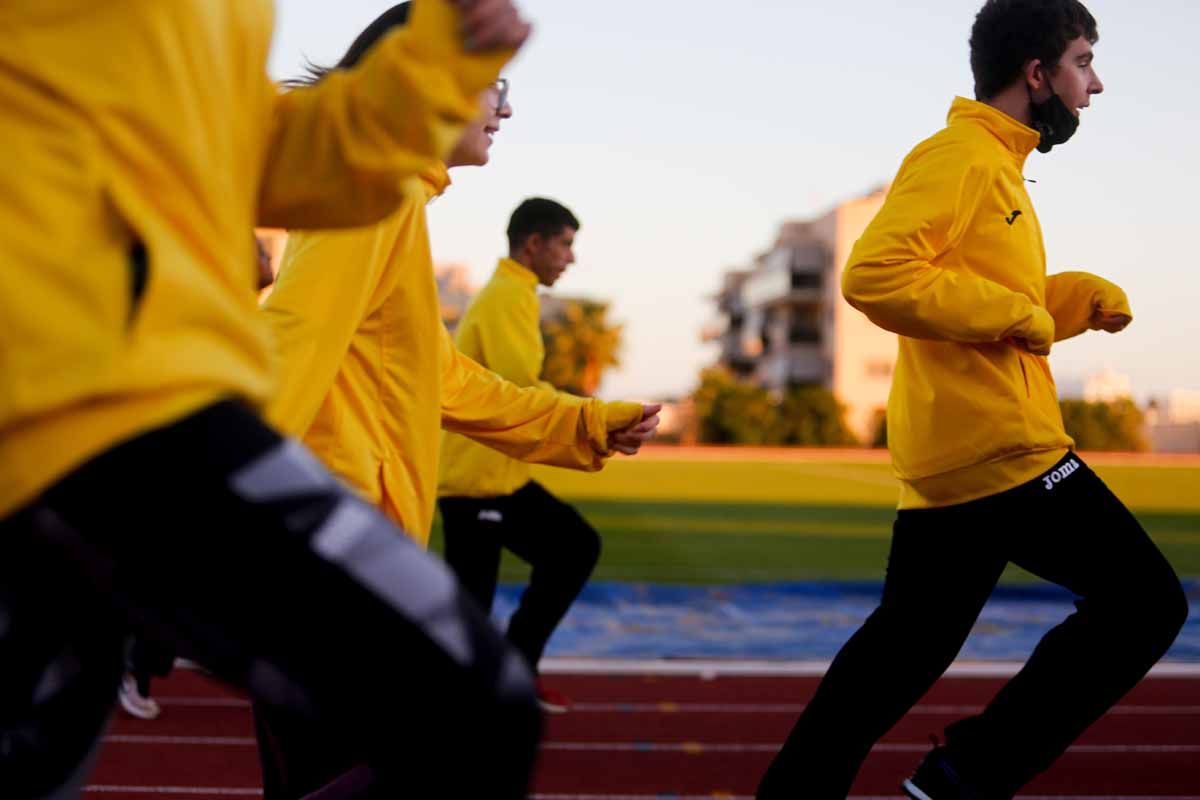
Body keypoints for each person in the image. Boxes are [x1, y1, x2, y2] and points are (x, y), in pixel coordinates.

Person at [0, 2, 539, 798]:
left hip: (124, 404)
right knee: (471, 703)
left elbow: (270, 157)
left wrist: (438, 59)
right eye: (493, 92)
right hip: (89, 400)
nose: (504, 107)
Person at [755, 2, 1188, 798]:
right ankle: (964, 777)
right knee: (1145, 604)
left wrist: (1072, 300)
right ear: (1037, 74)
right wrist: (1024, 311)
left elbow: (989, 307)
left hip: (958, 460)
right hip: (1004, 452)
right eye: (1083, 62)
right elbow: (876, 275)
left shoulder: (994, 165)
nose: (1094, 84)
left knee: (896, 659)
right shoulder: (963, 156)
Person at [258, 7, 659, 796]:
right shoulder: (372, 191)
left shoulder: (386, 198)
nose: (503, 108)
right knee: (470, 737)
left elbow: (440, 379)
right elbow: (292, 338)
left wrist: (579, 423)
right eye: (492, 87)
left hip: (338, 552)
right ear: (425, 85)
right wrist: (184, 499)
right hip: (336, 563)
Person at [438, 198, 609, 712]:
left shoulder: (512, 293)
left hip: (492, 477)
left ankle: (504, 676)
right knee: (570, 550)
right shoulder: (506, 296)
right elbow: (520, 391)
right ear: (533, 245)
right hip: (477, 481)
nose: (571, 258)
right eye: (565, 245)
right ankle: (488, 687)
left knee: (562, 554)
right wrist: (598, 421)